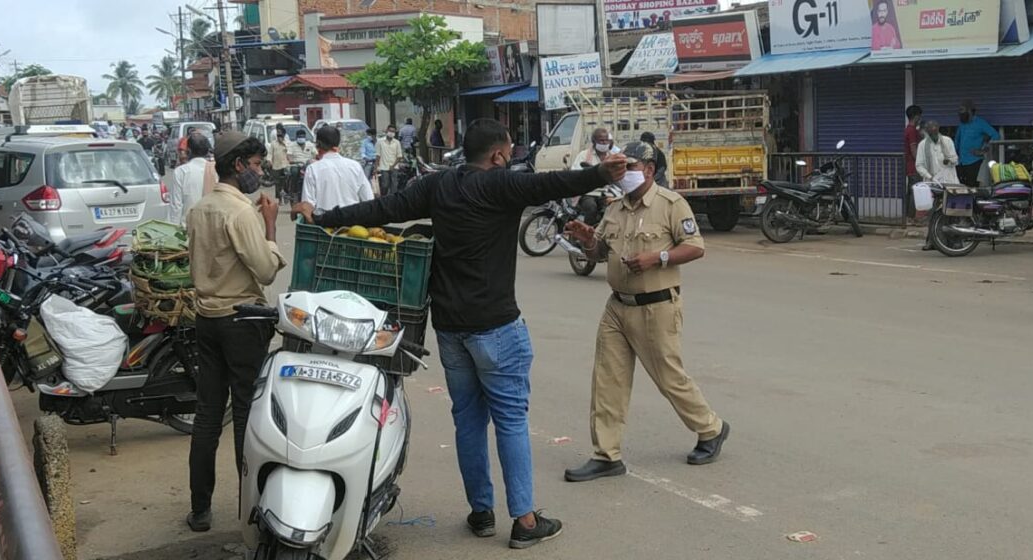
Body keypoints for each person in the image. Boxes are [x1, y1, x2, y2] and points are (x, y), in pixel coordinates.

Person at [291, 118, 628, 550]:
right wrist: (601, 173)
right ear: (499, 155)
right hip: (497, 327)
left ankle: (481, 512)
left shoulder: (439, 186)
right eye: (508, 150)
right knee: (509, 421)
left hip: (450, 330)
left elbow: (382, 209)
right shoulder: (502, 186)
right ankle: (524, 521)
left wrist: (322, 218)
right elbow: (555, 184)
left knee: (468, 421)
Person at [561, 141, 729, 483]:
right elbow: (600, 253)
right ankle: (607, 455)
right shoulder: (616, 207)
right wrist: (587, 240)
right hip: (617, 306)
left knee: (669, 377)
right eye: (620, 167)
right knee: (607, 380)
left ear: (649, 171)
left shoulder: (671, 204)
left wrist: (658, 258)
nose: (624, 174)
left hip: (656, 306)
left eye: (631, 167)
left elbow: (695, 248)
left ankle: (711, 428)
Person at [185, 131, 285, 533]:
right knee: (245, 413)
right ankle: (252, 505)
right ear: (240, 166)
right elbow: (264, 269)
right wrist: (271, 228)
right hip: (241, 322)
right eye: (257, 165)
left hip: (206, 319)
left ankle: (200, 509)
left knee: (208, 414)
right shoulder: (240, 213)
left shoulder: (199, 209)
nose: (260, 173)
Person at [302, 125, 374, 211]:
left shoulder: (313, 169)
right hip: (352, 221)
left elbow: (307, 205)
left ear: (318, 144)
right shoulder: (355, 166)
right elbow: (368, 199)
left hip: (325, 221)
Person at [915, 121, 959, 252]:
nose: (934, 136)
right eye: (931, 133)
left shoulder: (947, 141)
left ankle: (954, 241)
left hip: (950, 180)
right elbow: (919, 165)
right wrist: (929, 176)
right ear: (927, 132)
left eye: (935, 132)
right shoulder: (923, 145)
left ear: (938, 130)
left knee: (953, 211)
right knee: (934, 212)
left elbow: (955, 159)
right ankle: (931, 241)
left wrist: (949, 160)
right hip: (933, 182)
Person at [169, 133, 213, 227]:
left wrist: (172, 231)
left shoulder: (181, 172)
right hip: (212, 229)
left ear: (188, 151)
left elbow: (176, 207)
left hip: (188, 231)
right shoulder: (215, 170)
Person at [953, 100, 1000, 187]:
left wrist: (984, 149)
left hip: (974, 161)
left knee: (973, 187)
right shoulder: (962, 124)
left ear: (970, 111)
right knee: (961, 187)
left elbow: (996, 135)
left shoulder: (980, 123)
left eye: (962, 110)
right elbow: (957, 140)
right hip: (961, 161)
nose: (959, 113)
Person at [375, 125, 404, 195]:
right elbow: (378, 155)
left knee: (394, 186)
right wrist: (376, 167)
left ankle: (392, 202)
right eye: (390, 131)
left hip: (394, 167)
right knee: (385, 185)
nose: (391, 133)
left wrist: (393, 166)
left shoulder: (397, 142)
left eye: (393, 131)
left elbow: (399, 156)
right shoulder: (380, 142)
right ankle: (383, 199)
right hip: (384, 167)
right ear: (387, 131)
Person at [904, 105, 924, 186]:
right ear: (916, 117)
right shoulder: (912, 131)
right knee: (916, 194)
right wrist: (921, 164)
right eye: (920, 116)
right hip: (914, 169)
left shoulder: (908, 129)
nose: (920, 119)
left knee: (912, 191)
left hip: (911, 168)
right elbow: (914, 150)